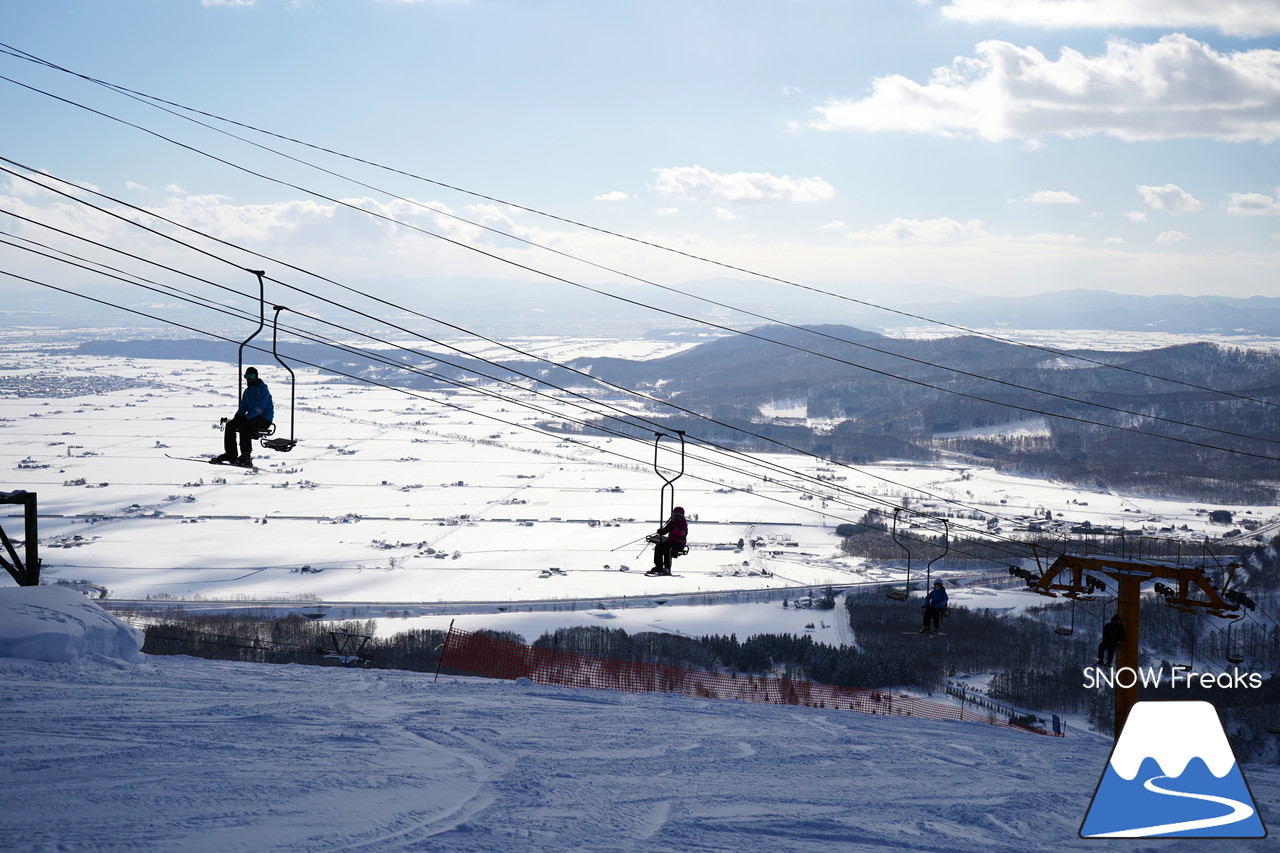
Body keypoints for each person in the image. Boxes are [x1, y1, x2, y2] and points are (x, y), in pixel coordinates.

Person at [212, 367, 274, 467]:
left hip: (264, 419)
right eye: (247, 376)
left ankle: (246, 455)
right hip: (252, 418)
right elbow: (243, 407)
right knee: (231, 425)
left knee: (245, 425)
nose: (250, 379)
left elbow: (260, 409)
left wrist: (246, 417)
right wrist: (237, 417)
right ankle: (231, 454)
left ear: (256, 376)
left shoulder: (262, 390)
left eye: (252, 376)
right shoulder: (247, 392)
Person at [645, 506, 688, 576]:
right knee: (658, 546)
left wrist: (673, 529)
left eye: (677, 515)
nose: (675, 517)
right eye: (674, 515)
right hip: (671, 541)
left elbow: (681, 533)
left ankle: (667, 568)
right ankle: (658, 566)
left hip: (679, 543)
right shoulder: (672, 523)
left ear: (681, 516)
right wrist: (661, 531)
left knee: (668, 548)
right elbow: (666, 530)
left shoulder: (683, 524)